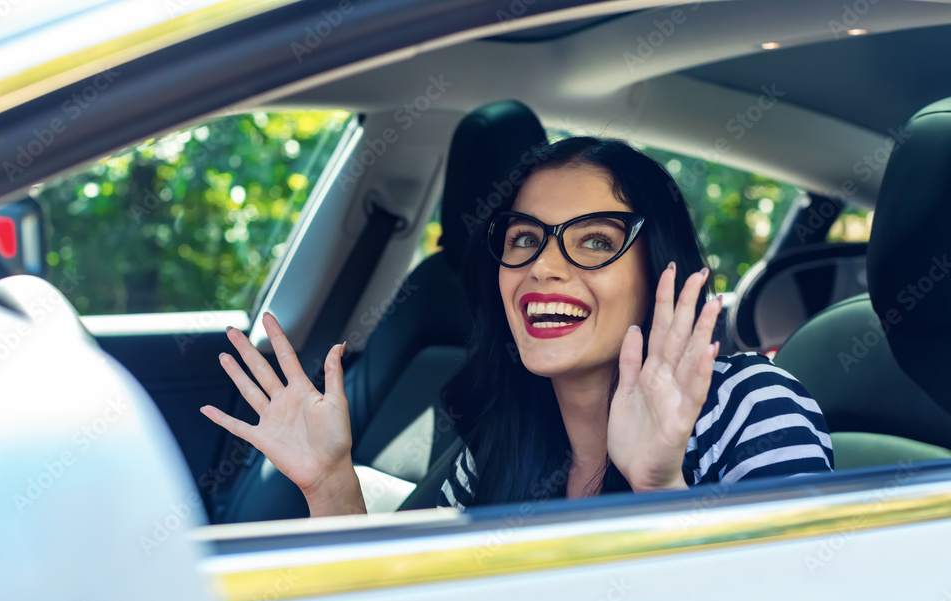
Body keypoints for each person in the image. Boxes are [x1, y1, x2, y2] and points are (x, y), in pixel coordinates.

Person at [200, 136, 834, 517]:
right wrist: (330, 479)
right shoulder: (511, 433)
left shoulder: (753, 405)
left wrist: (658, 486)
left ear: (656, 268)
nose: (543, 268)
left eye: (593, 241)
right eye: (525, 238)